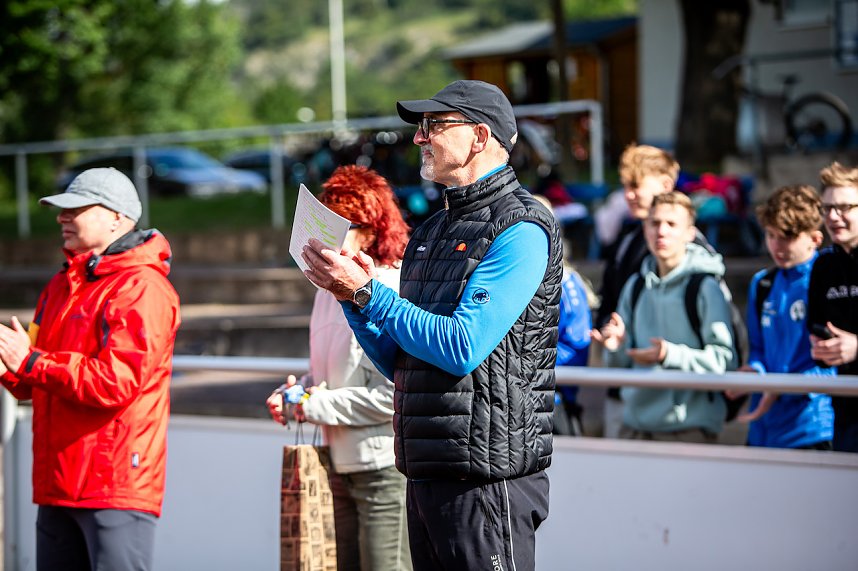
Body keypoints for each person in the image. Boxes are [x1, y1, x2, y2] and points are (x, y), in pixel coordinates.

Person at [299, 80, 563, 571]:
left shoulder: (521, 227)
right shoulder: (432, 231)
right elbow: (402, 363)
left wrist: (366, 292)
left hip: (488, 478)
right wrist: (351, 299)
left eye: (435, 125)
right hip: (427, 471)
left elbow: (461, 347)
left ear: (480, 137)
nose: (420, 138)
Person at [0, 167, 181, 571]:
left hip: (112, 485)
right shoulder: (60, 285)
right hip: (57, 484)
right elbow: (34, 379)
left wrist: (28, 360)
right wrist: (9, 364)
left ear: (117, 217)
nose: (63, 217)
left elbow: (116, 382)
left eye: (75, 208)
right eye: (61, 210)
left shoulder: (143, 287)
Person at [265, 165, 412, 571]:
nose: (322, 240)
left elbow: (394, 395)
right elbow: (331, 378)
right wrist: (298, 393)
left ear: (370, 231)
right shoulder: (325, 292)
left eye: (338, 226)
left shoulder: (391, 288)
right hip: (334, 464)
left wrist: (312, 403)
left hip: (383, 467)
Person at [592, 191, 736, 443]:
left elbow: (725, 363)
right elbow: (619, 366)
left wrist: (669, 355)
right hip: (634, 429)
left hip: (689, 431)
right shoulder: (635, 285)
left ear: (690, 234)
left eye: (671, 224)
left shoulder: (706, 287)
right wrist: (616, 347)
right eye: (655, 223)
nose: (661, 231)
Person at [732, 185, 834, 449]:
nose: (777, 245)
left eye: (787, 237)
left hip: (811, 428)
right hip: (763, 429)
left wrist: (781, 387)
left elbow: (833, 365)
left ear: (815, 238)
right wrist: (755, 372)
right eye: (771, 235)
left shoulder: (828, 282)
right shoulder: (763, 283)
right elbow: (758, 349)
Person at [594, 144, 683, 437]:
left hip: (667, 397)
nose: (628, 195)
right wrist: (607, 330)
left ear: (666, 185)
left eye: (635, 186)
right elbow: (611, 298)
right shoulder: (627, 239)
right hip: (623, 381)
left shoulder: (689, 250)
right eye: (624, 187)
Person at [808, 161, 858, 452]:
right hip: (846, 409)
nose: (834, 217)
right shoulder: (824, 266)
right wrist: (822, 347)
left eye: (844, 207)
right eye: (827, 209)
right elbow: (816, 324)